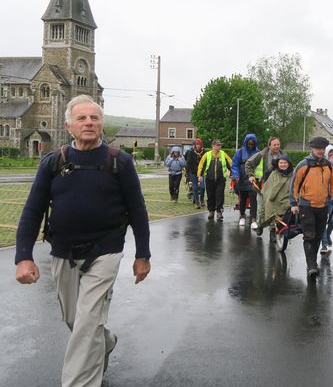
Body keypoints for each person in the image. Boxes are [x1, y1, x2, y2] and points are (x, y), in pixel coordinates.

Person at [14, 94, 151, 387]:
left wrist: (143, 255)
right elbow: (32, 210)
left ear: (101, 124)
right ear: (69, 126)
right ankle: (105, 342)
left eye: (95, 118)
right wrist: (23, 256)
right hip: (62, 253)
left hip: (105, 253)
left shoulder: (120, 162)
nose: (89, 122)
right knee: (77, 322)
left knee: (87, 322)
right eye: (82, 118)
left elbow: (138, 211)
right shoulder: (53, 162)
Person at [290, 136, 333, 279]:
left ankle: (312, 263)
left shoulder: (329, 166)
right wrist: (293, 203)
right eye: (318, 148)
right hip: (306, 206)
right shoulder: (303, 165)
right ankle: (311, 265)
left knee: (318, 236)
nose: (320, 151)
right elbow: (294, 185)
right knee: (309, 236)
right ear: (312, 148)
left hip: (323, 206)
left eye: (323, 148)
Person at [246, 137, 283, 229]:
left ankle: (273, 230)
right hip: (262, 186)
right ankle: (259, 224)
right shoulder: (261, 155)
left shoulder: (283, 155)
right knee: (261, 209)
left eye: (278, 144)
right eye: (274, 145)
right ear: (269, 145)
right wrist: (251, 175)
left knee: (275, 209)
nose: (277, 146)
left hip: (277, 187)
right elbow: (248, 164)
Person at [198, 139, 233, 220]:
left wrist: (233, 172)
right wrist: (199, 175)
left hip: (221, 179)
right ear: (213, 146)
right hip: (209, 179)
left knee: (219, 196)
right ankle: (211, 211)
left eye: (220, 145)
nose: (219, 146)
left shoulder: (223, 154)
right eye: (217, 145)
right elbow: (201, 165)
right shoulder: (207, 154)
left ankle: (219, 212)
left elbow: (230, 163)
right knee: (210, 196)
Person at [231, 133, 260, 229]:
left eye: (252, 144)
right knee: (242, 198)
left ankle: (254, 219)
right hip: (242, 178)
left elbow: (260, 165)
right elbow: (235, 164)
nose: (250, 146)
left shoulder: (258, 152)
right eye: (249, 144)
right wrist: (236, 175)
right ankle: (242, 216)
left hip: (253, 178)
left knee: (253, 199)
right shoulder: (240, 152)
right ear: (246, 143)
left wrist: (258, 177)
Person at [260, 154, 294, 235]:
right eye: (281, 163)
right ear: (278, 164)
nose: (283, 165)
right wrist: (270, 197)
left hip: (288, 198)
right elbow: (267, 189)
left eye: (285, 163)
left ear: (289, 164)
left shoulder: (293, 174)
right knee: (270, 207)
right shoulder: (274, 174)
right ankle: (272, 229)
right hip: (274, 199)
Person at [184, 138, 205, 209]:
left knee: (202, 187)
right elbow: (188, 163)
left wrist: (203, 171)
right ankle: (197, 202)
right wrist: (187, 173)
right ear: (195, 145)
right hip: (193, 172)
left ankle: (202, 199)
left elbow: (205, 162)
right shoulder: (191, 152)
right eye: (197, 144)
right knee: (195, 188)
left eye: (199, 144)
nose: (198, 146)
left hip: (202, 173)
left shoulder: (204, 152)